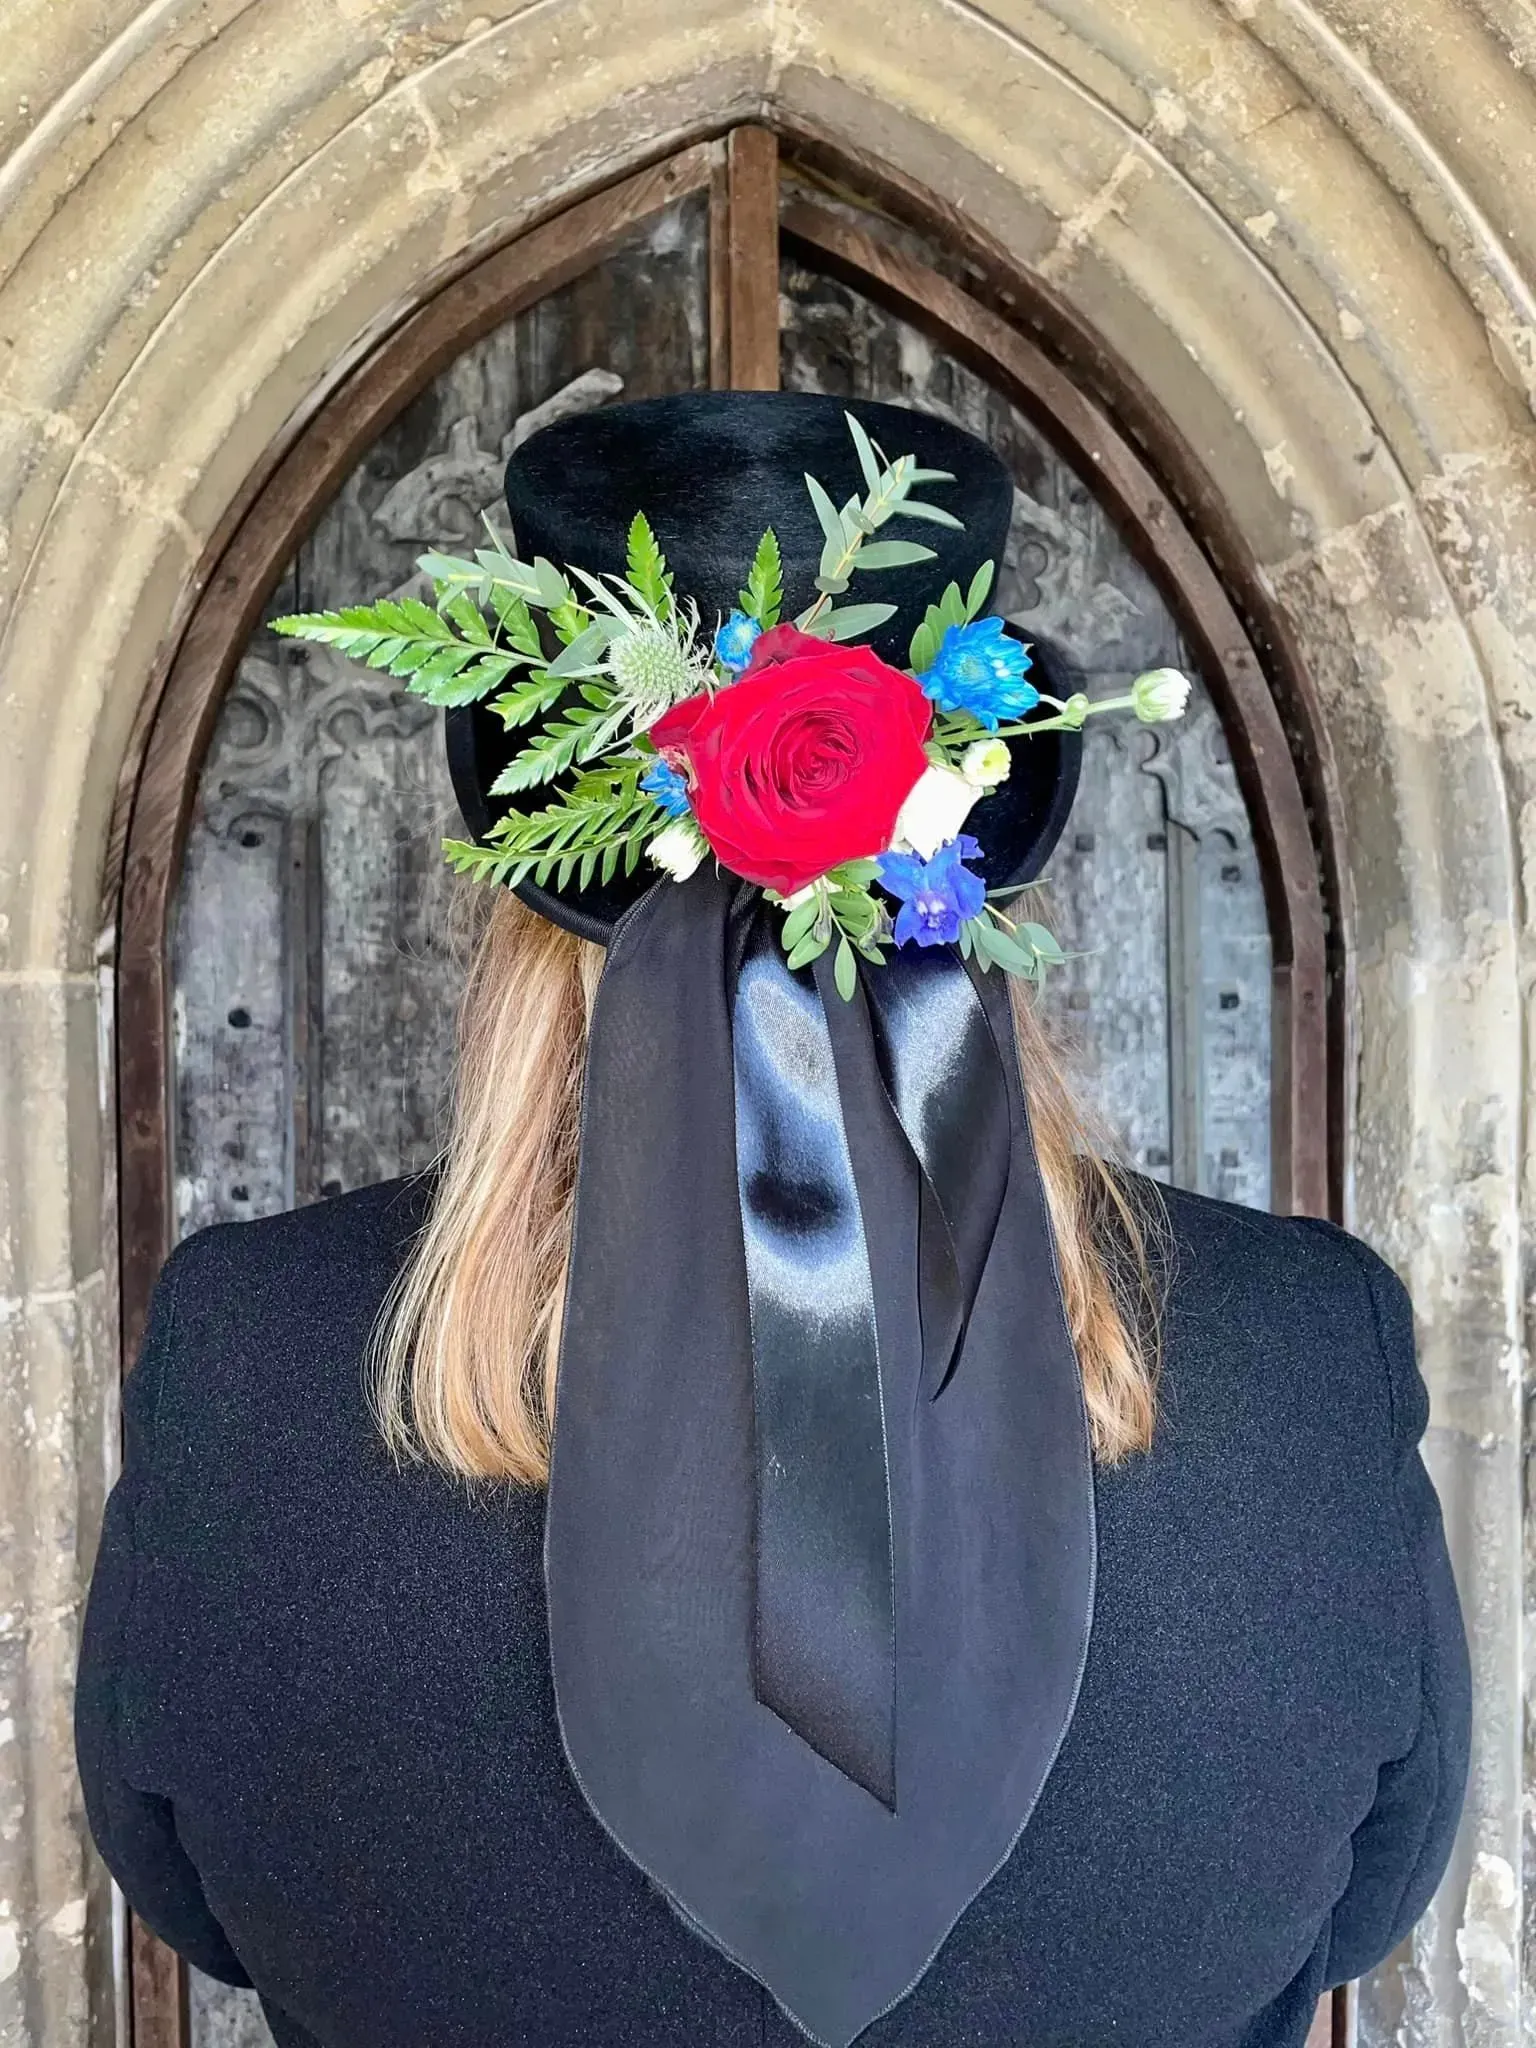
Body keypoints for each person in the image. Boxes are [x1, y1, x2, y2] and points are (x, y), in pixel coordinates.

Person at [78, 392, 1470, 2048]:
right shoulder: (1311, 1351)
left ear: (527, 886)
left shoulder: (251, 1360)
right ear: (975, 866)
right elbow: (1369, 1903)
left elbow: (183, 1891)